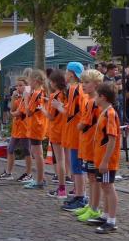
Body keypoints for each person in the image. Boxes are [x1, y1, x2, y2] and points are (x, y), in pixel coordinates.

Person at [73, 69, 104, 223]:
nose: (83, 85)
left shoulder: (93, 102)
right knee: (91, 177)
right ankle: (91, 205)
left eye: (86, 82)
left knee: (93, 178)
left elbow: (83, 124)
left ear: (96, 84)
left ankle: (94, 208)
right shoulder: (90, 100)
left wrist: (79, 124)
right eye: (82, 82)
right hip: (88, 144)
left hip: (92, 145)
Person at [92, 83, 122, 234]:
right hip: (100, 157)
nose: (94, 98)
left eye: (96, 96)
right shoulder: (104, 112)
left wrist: (105, 160)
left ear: (102, 97)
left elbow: (112, 139)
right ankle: (105, 215)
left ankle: (111, 220)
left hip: (107, 160)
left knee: (108, 187)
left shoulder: (110, 114)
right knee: (105, 186)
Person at [61, 62, 88, 211]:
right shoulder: (80, 88)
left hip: (75, 132)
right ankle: (79, 194)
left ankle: (80, 196)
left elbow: (70, 112)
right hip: (77, 131)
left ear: (71, 74)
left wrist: (58, 107)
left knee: (77, 167)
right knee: (77, 166)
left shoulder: (73, 89)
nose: (65, 75)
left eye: (66, 72)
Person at [0, 77, 32, 181]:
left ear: (26, 86)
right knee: (10, 149)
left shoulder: (27, 97)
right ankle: (8, 172)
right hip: (16, 128)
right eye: (17, 85)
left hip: (25, 128)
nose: (18, 87)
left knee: (27, 150)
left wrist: (13, 113)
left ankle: (29, 173)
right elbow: (12, 109)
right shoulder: (18, 98)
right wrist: (12, 98)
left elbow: (17, 113)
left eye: (21, 85)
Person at [44, 70, 68, 199]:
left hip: (56, 130)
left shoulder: (54, 95)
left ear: (53, 82)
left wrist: (42, 109)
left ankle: (61, 188)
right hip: (66, 129)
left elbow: (51, 116)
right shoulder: (66, 94)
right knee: (67, 160)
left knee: (59, 160)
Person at [23, 69, 48, 189]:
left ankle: (40, 180)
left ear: (35, 81)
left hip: (36, 126)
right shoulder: (41, 92)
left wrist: (26, 98)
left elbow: (28, 111)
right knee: (37, 153)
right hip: (38, 125)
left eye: (29, 81)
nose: (28, 83)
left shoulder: (35, 94)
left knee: (37, 154)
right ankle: (41, 178)